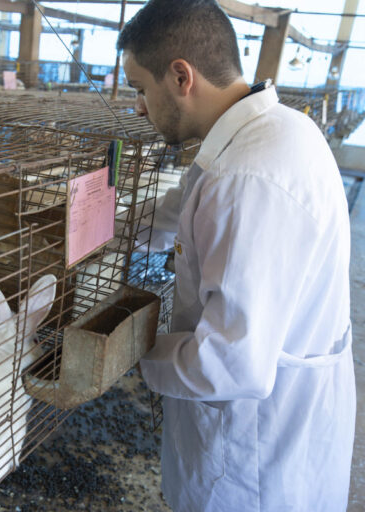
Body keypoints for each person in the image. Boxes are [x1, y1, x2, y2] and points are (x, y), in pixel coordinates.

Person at [118, 1, 356, 510]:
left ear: (181, 76)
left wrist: (134, 353)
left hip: (253, 453)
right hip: (289, 410)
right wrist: (94, 228)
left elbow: (231, 365)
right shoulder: (273, 131)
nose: (138, 106)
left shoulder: (245, 178)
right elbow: (174, 214)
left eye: (141, 88)